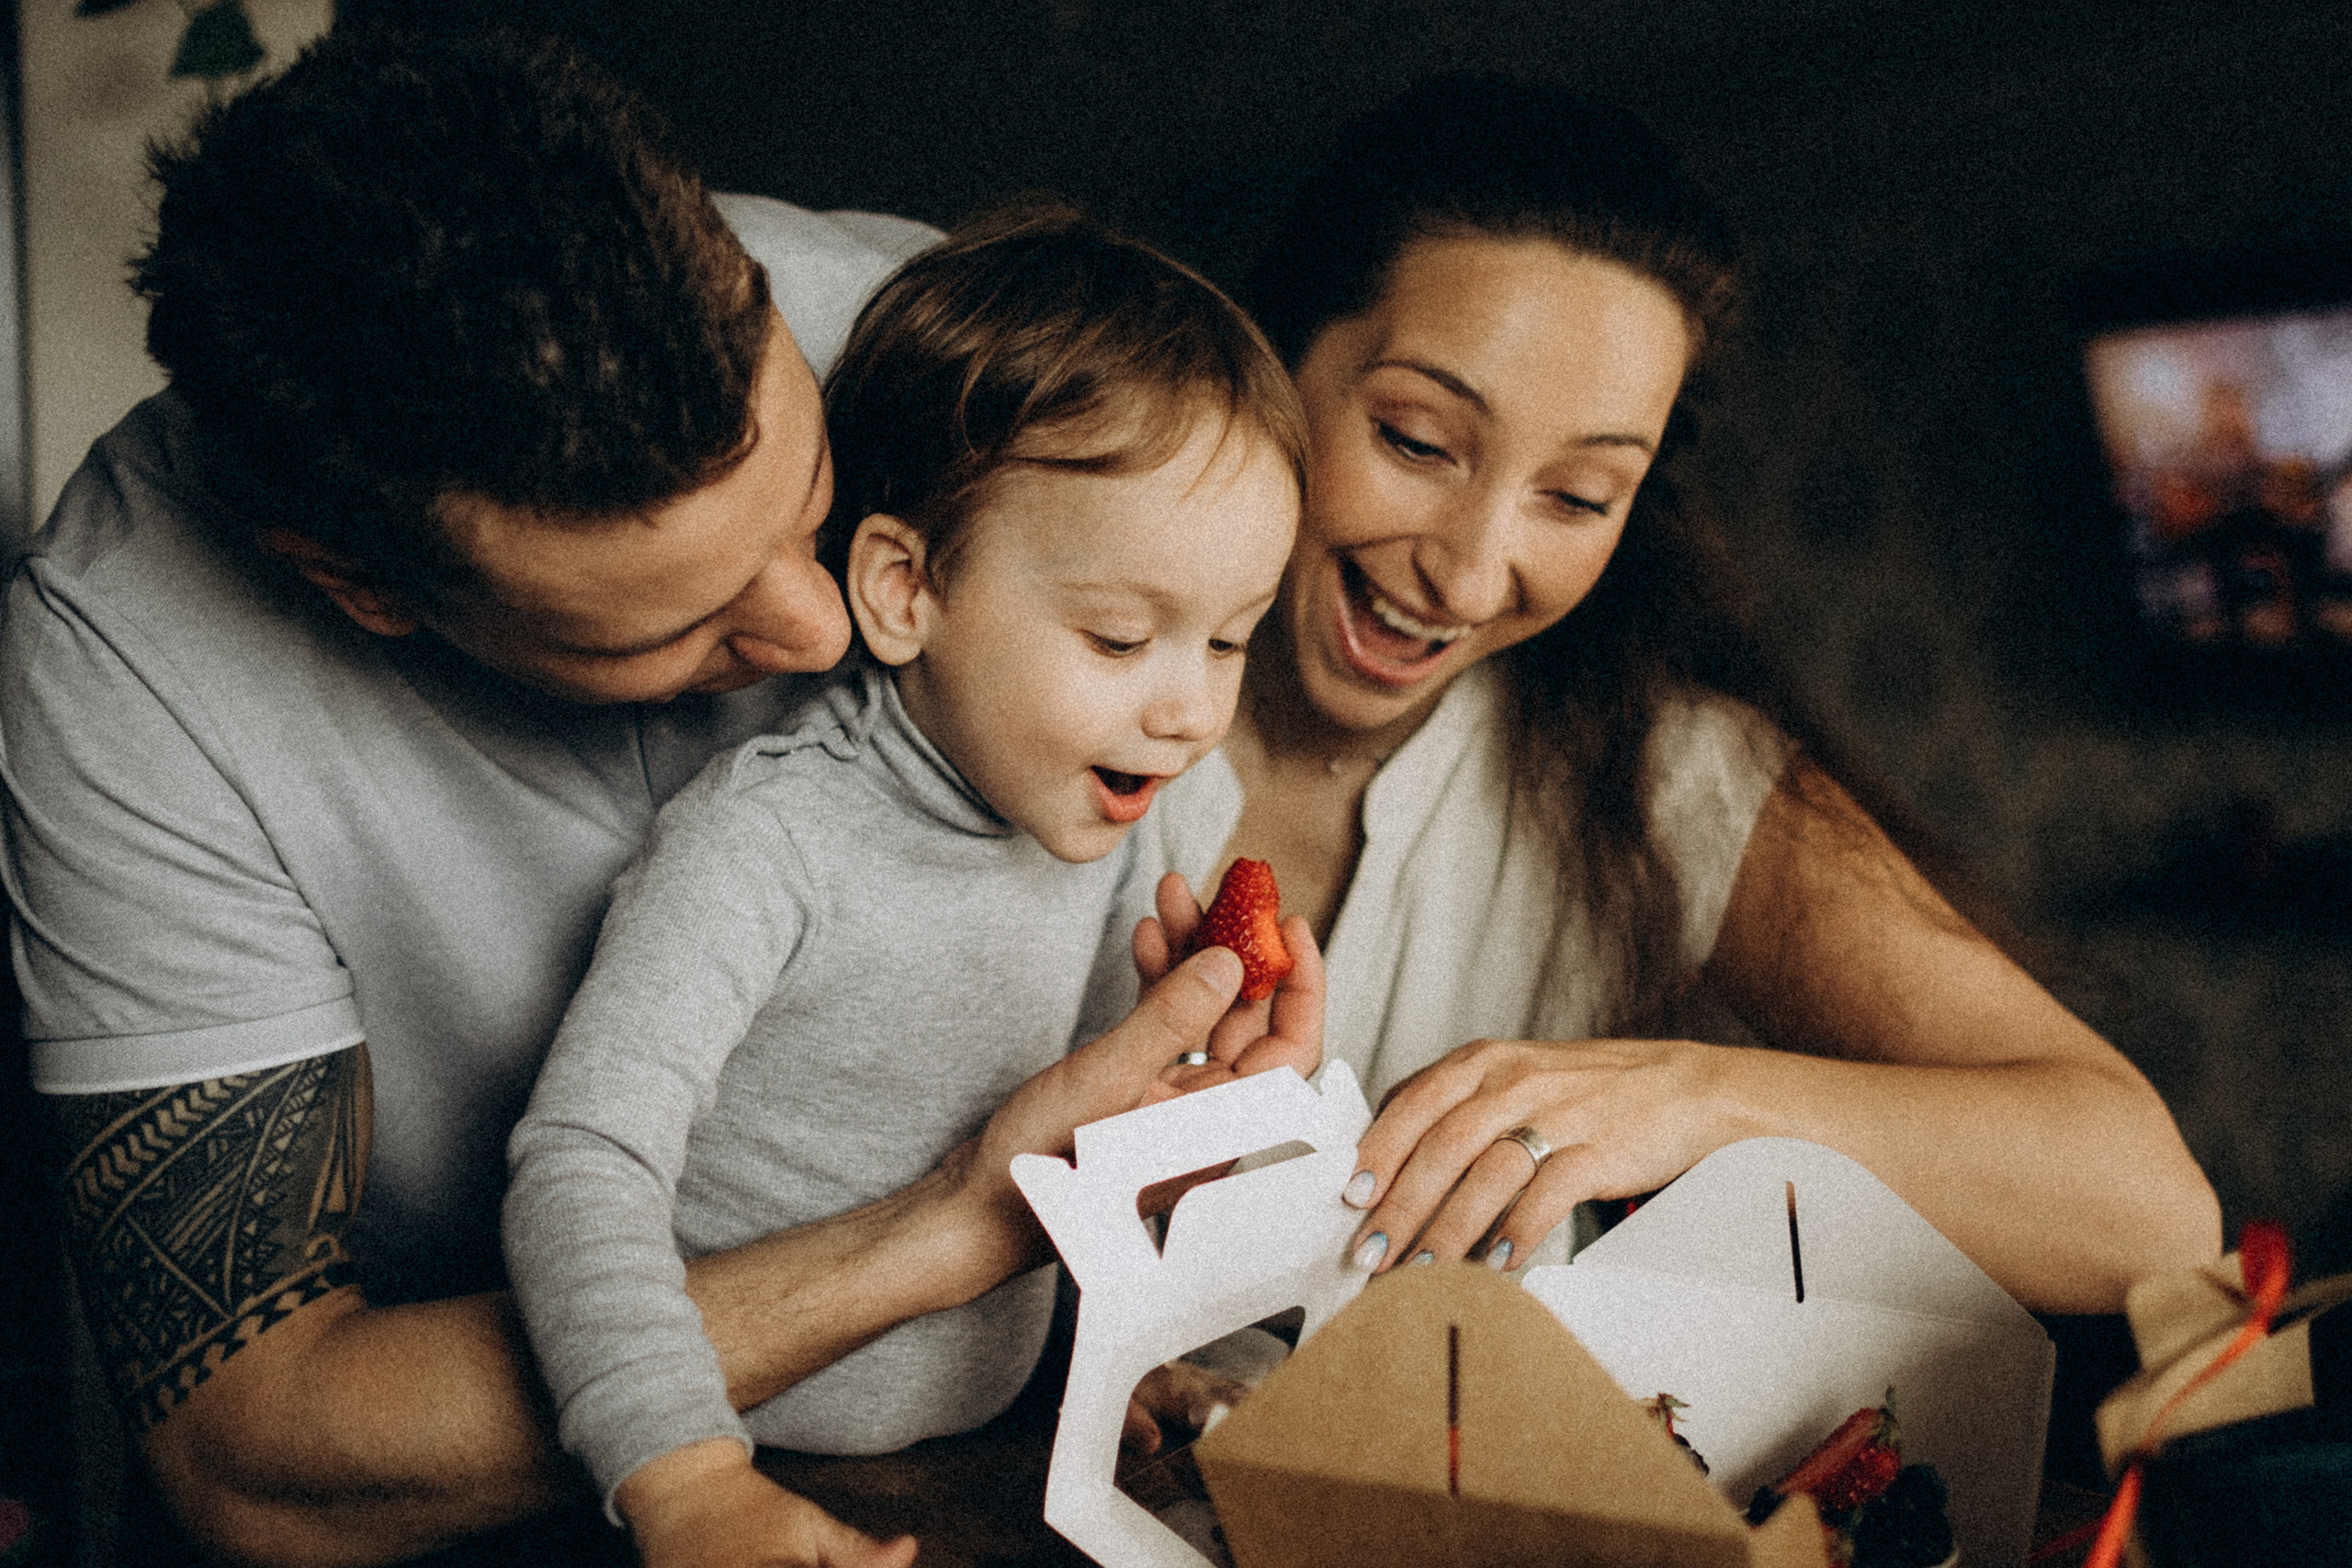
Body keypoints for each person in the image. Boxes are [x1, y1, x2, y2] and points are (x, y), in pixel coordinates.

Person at [0, 30, 1304, 1568]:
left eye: (809, 502)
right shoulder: (128, 678)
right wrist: (952, 1234)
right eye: (671, 629)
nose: (823, 639)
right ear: (364, 589)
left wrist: (1156, 1187)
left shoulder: (926, 339)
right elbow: (258, 1457)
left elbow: (1163, 752)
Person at [1136, 73, 2221, 1312]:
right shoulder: (1029, 666)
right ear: (1270, 360)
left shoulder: (1666, 777)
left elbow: (2153, 1213)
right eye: (1419, 442)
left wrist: (1697, 1097)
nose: (1472, 570)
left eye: (1580, 497)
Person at [501, 209, 1313, 1567]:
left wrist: (1151, 1282)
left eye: (1230, 639)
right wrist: (685, 1479)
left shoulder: (1136, 825)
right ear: (903, 590)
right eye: (1121, 636)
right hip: (715, 1481)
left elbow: (1071, 1196)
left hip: (990, 1467)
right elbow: (580, 1168)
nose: (1188, 709)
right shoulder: (765, 848)